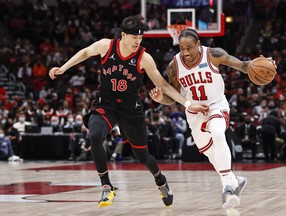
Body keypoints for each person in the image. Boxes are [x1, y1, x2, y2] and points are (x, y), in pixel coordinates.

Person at [49, 15, 209, 208]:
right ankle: (106, 186)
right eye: (134, 37)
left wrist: (188, 104)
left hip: (130, 109)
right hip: (105, 103)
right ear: (123, 35)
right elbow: (85, 52)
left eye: (140, 38)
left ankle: (160, 180)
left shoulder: (144, 58)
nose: (137, 42)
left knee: (142, 156)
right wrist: (64, 68)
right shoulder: (105, 46)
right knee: (95, 135)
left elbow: (164, 86)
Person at [149, 28, 275, 209]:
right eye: (182, 48)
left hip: (216, 105)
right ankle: (235, 181)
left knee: (217, 133)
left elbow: (244, 66)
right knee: (210, 153)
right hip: (194, 113)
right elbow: (174, 96)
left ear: (198, 44)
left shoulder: (214, 55)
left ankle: (226, 188)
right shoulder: (174, 66)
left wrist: (264, 62)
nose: (185, 52)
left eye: (189, 48)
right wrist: (160, 98)